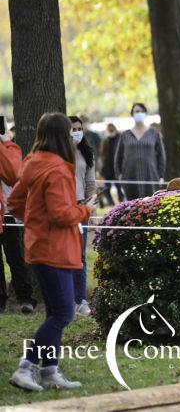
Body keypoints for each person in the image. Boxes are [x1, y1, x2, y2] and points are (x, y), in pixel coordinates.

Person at [7, 113, 92, 391]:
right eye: (69, 133)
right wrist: (86, 209)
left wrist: (33, 221)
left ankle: (50, 370)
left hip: (40, 245)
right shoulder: (58, 169)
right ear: (61, 137)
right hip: (56, 248)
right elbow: (61, 214)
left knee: (55, 312)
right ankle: (26, 366)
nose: (72, 137)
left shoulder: (34, 163)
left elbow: (16, 201)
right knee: (64, 314)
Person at [0, 133, 36, 314]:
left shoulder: (9, 149)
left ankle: (25, 297)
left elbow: (14, 173)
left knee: (14, 256)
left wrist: (6, 142)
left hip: (7, 213)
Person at [69, 117, 96, 318]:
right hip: (62, 207)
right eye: (73, 129)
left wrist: (89, 204)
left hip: (81, 208)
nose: (77, 132)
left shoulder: (86, 153)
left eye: (79, 129)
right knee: (64, 255)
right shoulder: (58, 152)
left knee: (80, 256)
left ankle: (81, 299)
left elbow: (90, 182)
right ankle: (67, 299)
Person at [114, 103, 166, 200]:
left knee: (151, 206)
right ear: (132, 114)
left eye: (142, 111)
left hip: (150, 176)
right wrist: (119, 174)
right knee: (132, 207)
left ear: (145, 114)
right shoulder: (125, 135)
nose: (139, 113)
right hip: (130, 176)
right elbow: (118, 157)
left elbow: (161, 156)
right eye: (137, 111)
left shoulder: (154, 134)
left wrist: (160, 175)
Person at [98, 124, 121, 206]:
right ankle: (110, 202)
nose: (110, 132)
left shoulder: (119, 138)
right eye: (109, 130)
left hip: (116, 168)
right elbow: (101, 153)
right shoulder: (105, 140)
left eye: (112, 130)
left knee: (118, 186)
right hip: (107, 168)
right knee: (107, 187)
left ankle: (121, 201)